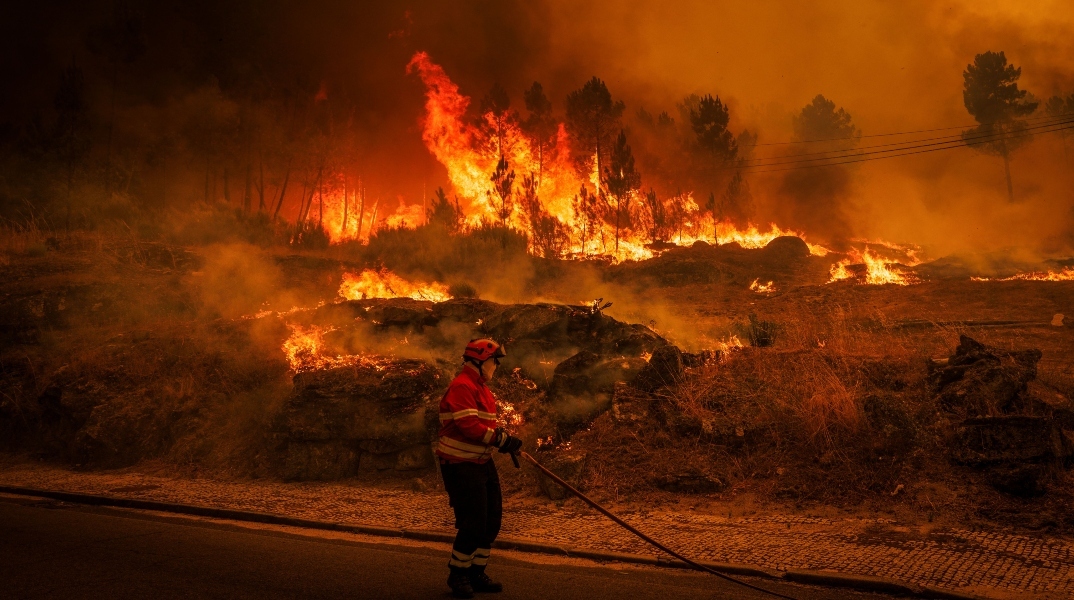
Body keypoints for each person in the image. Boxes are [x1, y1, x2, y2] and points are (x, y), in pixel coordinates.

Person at [436, 338, 523, 598]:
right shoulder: (462, 386)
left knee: (491, 521)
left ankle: (476, 572)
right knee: (473, 522)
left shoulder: (482, 388)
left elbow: (485, 427)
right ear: (479, 360)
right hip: (460, 464)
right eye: (494, 361)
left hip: (481, 462)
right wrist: (501, 440)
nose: (496, 365)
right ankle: (458, 574)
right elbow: (469, 427)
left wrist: (503, 439)